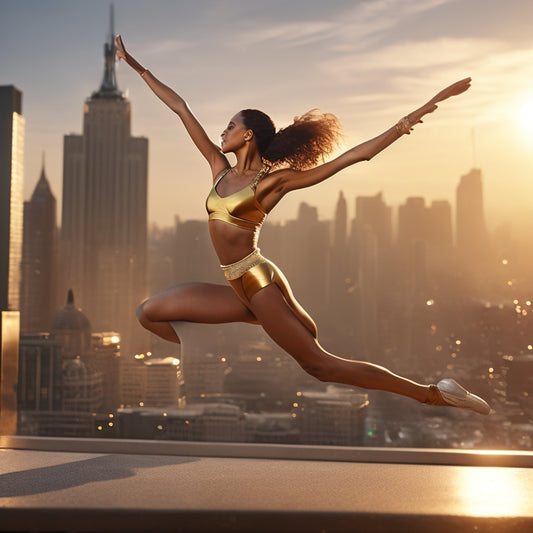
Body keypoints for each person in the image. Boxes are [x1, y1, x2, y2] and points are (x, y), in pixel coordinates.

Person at [116, 35, 490, 415]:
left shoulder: (273, 182)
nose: (222, 132)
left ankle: (434, 393)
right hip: (233, 283)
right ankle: (214, 351)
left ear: (248, 134)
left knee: (319, 366)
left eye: (230, 126)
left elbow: (353, 157)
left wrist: (422, 110)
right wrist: (137, 67)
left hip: (257, 282)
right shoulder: (218, 169)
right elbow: (181, 108)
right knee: (148, 313)